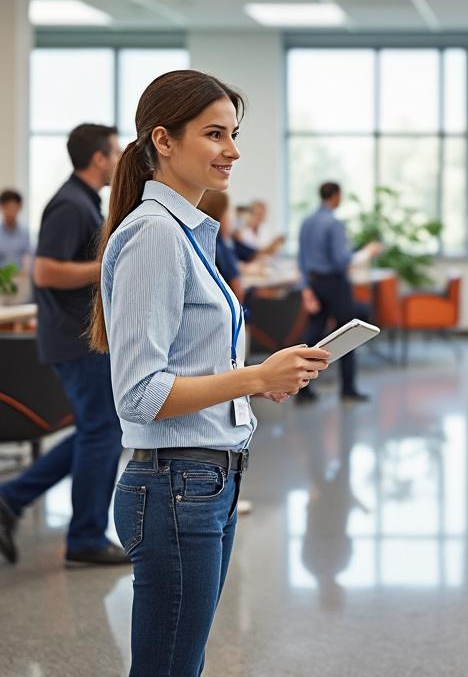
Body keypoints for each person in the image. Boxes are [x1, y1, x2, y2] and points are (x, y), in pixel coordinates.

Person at [93, 69, 329, 673]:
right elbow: (141, 394)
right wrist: (252, 378)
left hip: (203, 481)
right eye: (215, 134)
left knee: (179, 664)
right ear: (163, 140)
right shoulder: (155, 235)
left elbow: (187, 370)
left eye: (234, 134)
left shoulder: (184, 233)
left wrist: (260, 383)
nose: (233, 150)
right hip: (178, 487)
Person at [0, 124, 128, 567]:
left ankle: (11, 498)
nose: (118, 158)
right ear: (98, 158)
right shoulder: (71, 204)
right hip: (73, 340)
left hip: (78, 337)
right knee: (103, 431)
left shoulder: (82, 201)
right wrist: (106, 266)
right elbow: (45, 272)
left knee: (98, 431)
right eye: (115, 151)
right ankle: (86, 538)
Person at [298, 182, 381, 401]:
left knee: (313, 335)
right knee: (349, 331)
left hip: (316, 283)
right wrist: (366, 252)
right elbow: (341, 261)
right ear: (335, 197)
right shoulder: (334, 224)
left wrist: (306, 288)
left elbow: (303, 259)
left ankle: (301, 388)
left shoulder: (307, 222)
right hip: (335, 283)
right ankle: (348, 388)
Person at [0, 189, 31, 271]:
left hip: (20, 276)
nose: (11, 211)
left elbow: (27, 256)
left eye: (14, 207)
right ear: (1, 207)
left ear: (20, 207)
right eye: (8, 207)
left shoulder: (25, 232)